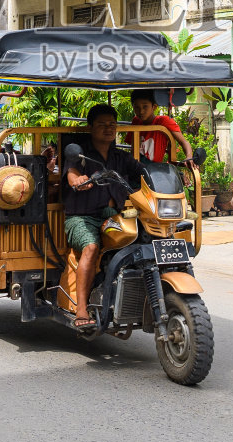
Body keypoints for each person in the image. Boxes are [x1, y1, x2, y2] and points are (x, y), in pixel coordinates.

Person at [62, 104, 142, 328]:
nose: (109, 129)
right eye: (102, 125)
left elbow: (143, 170)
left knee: (139, 242)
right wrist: (77, 181)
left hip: (112, 215)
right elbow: (72, 174)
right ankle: (81, 309)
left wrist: (170, 171)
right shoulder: (79, 153)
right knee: (91, 247)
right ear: (90, 127)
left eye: (112, 125)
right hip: (81, 217)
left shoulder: (120, 157)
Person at [129, 90, 190, 164]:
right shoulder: (136, 121)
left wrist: (189, 157)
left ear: (154, 107)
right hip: (135, 167)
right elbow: (133, 148)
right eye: (137, 107)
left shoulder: (164, 121)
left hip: (155, 171)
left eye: (145, 107)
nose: (141, 111)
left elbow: (184, 142)